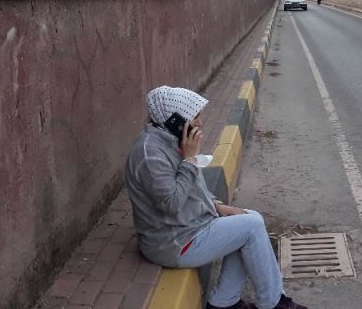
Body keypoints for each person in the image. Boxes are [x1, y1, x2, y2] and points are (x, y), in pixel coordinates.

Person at [125, 86, 307, 309]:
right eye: (195, 116)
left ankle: (224, 302)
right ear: (174, 120)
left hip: (187, 226)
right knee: (251, 227)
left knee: (249, 218)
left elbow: (193, 189)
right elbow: (171, 204)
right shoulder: (150, 155)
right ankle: (273, 303)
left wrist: (218, 206)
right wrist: (189, 161)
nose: (200, 122)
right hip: (173, 242)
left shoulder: (170, 140)